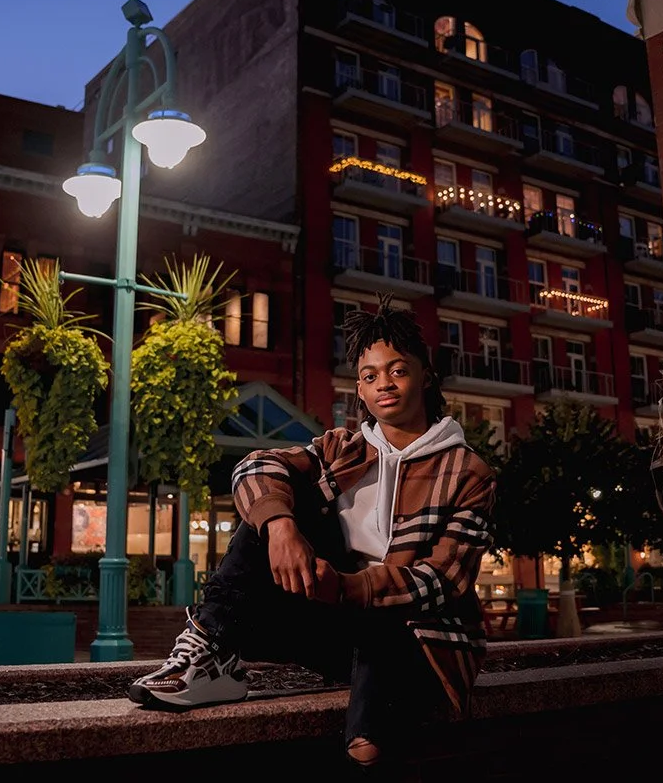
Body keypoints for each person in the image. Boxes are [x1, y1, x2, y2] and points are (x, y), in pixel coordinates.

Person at [128, 294, 497, 770]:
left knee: (367, 744)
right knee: (273, 500)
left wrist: (347, 588)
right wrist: (281, 527)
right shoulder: (342, 449)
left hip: (416, 633)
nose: (384, 384)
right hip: (336, 624)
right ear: (359, 392)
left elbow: (442, 581)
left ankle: (361, 719)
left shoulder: (468, 471)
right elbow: (252, 467)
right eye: (370, 376)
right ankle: (209, 653)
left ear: (426, 375)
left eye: (398, 370)